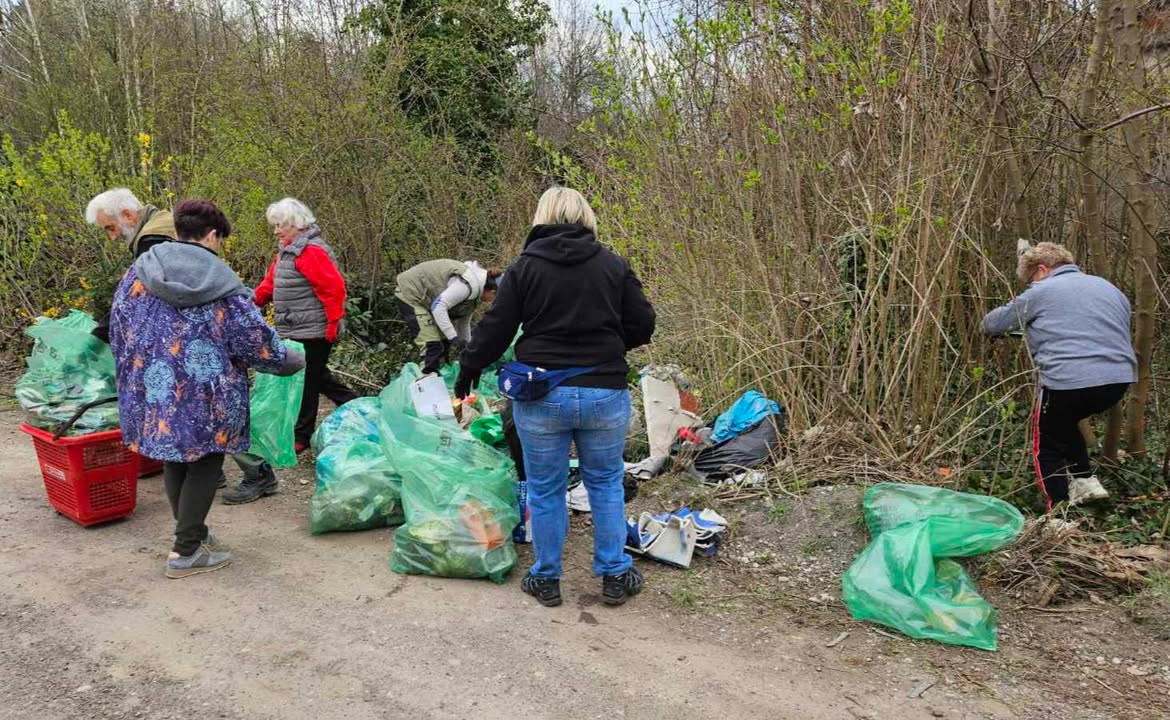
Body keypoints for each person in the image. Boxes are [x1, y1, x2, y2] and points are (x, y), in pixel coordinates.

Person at [455, 187, 656, 608]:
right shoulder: (612, 264)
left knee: (546, 488)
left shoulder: (524, 268)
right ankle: (615, 573)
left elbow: (496, 328)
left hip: (542, 393)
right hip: (604, 392)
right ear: (586, 216)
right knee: (605, 483)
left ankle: (546, 578)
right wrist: (608, 346)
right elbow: (643, 323)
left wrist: (469, 367)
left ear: (542, 216)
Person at [109, 200, 305, 578]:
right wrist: (288, 360)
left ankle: (194, 534)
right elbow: (252, 340)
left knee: (174, 457)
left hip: (157, 389)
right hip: (209, 393)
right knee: (205, 462)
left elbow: (118, 327)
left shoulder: (140, 271)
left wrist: (136, 375)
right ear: (213, 235)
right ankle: (185, 552)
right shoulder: (220, 281)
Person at [85, 188, 279, 502]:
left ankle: (249, 475)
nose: (112, 236)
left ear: (128, 215)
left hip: (186, 361)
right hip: (189, 360)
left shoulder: (153, 243)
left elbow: (156, 303)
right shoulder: (162, 227)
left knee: (206, 427)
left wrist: (108, 336)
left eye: (110, 227)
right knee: (204, 426)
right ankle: (203, 498)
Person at [983, 241, 1136, 509]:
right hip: (1117, 380)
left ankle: (1056, 512)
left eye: (1030, 279)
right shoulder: (1109, 288)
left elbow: (993, 323)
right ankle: (1085, 481)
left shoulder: (1043, 290)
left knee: (1046, 442)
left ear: (1042, 269)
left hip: (1068, 381)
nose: (1030, 285)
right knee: (1065, 421)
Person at [253, 197, 357, 452]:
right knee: (316, 376)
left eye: (280, 225)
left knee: (308, 381)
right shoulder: (287, 251)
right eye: (275, 226)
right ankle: (355, 404)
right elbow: (271, 283)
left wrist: (333, 322)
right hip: (295, 326)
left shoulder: (311, 251)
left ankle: (302, 434)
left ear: (296, 224)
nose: (276, 231)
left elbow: (333, 289)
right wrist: (252, 301)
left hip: (314, 329)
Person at [394, 259, 501, 374]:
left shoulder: (475, 295)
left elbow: (463, 323)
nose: (491, 301)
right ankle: (425, 379)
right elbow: (438, 307)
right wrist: (453, 337)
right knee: (432, 346)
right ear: (492, 292)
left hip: (428, 300)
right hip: (411, 293)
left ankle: (438, 377)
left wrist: (467, 346)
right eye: (494, 298)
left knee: (444, 344)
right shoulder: (465, 286)